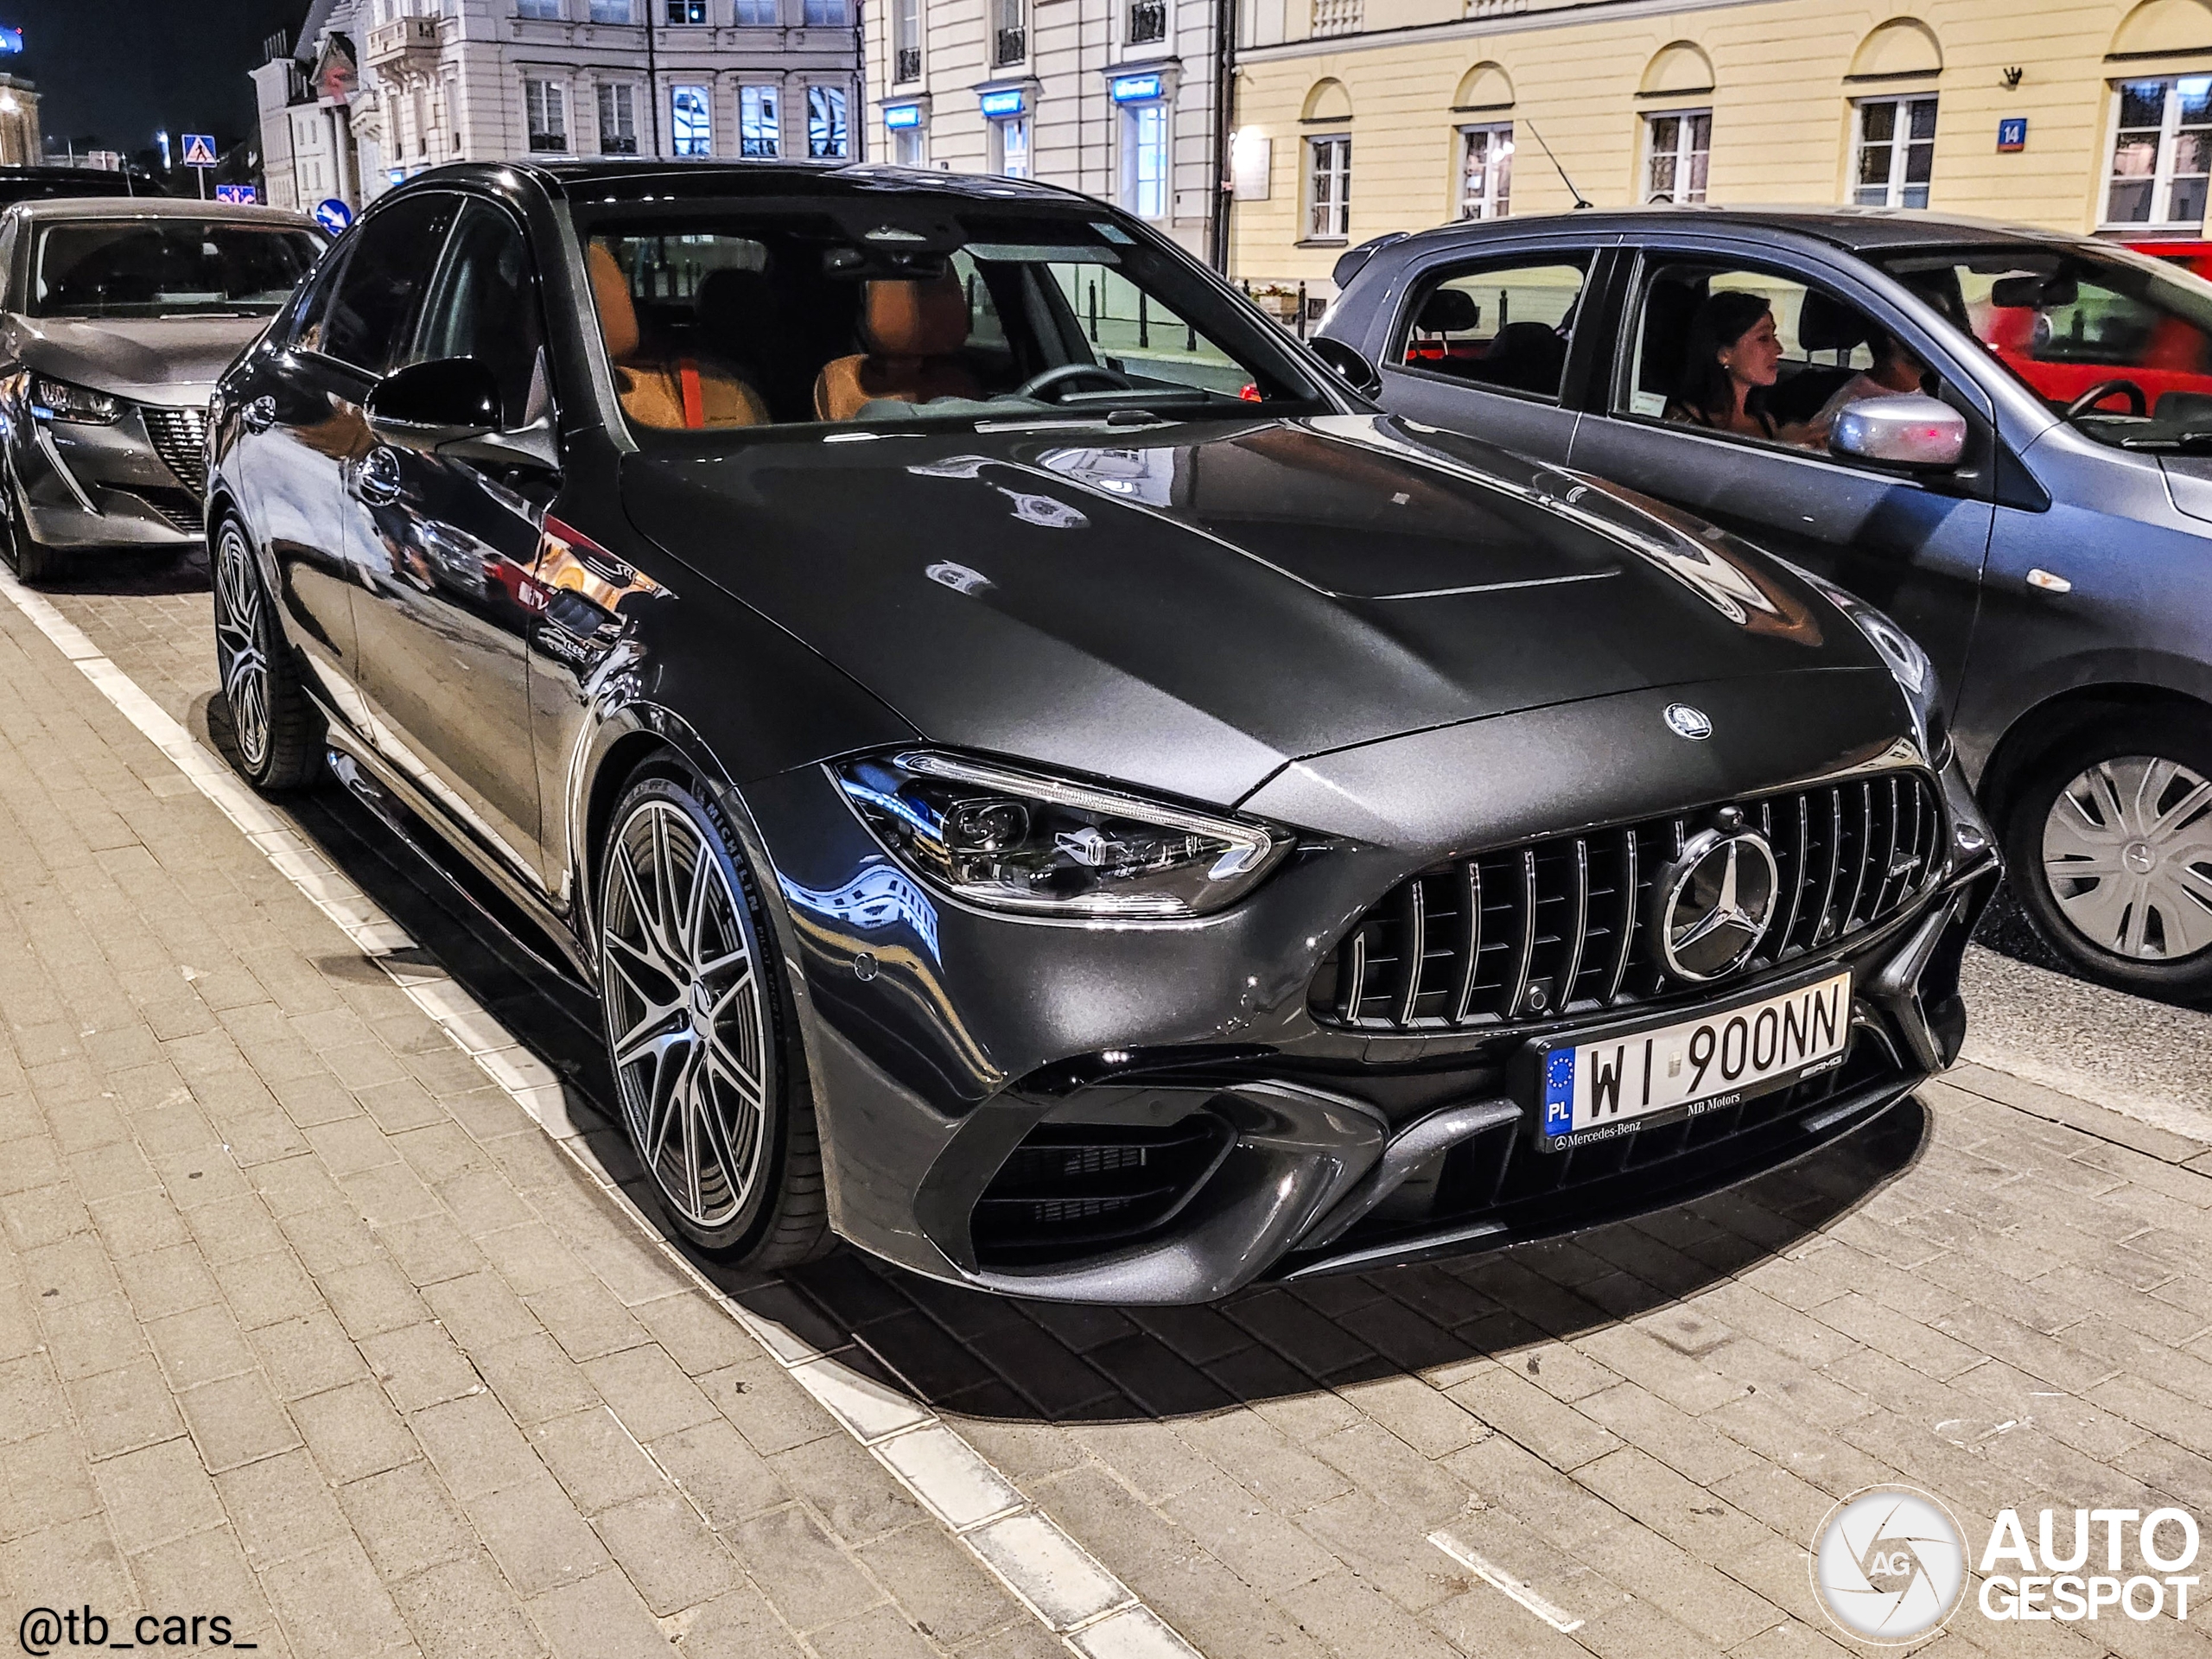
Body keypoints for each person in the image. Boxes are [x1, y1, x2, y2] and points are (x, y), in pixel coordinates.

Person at [1667, 290, 1796, 441]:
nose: (1779, 349)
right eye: (1763, 338)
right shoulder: (1683, 422)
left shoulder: (1767, 422)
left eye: (1774, 336)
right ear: (1725, 354)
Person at [1813, 327, 1930, 435]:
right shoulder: (1857, 404)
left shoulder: (1933, 390)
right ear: (1894, 338)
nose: (1928, 338)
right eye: (1920, 330)